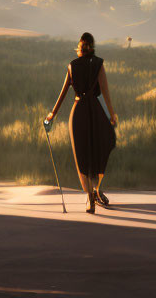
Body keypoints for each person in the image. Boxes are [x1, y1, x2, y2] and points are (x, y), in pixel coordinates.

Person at [45, 32, 118, 214]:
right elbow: (106, 93)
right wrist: (112, 114)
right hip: (95, 112)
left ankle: (90, 197)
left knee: (82, 156)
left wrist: (51, 115)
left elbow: (62, 95)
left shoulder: (72, 66)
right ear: (92, 46)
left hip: (78, 113)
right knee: (99, 151)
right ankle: (96, 191)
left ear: (79, 47)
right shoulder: (99, 64)